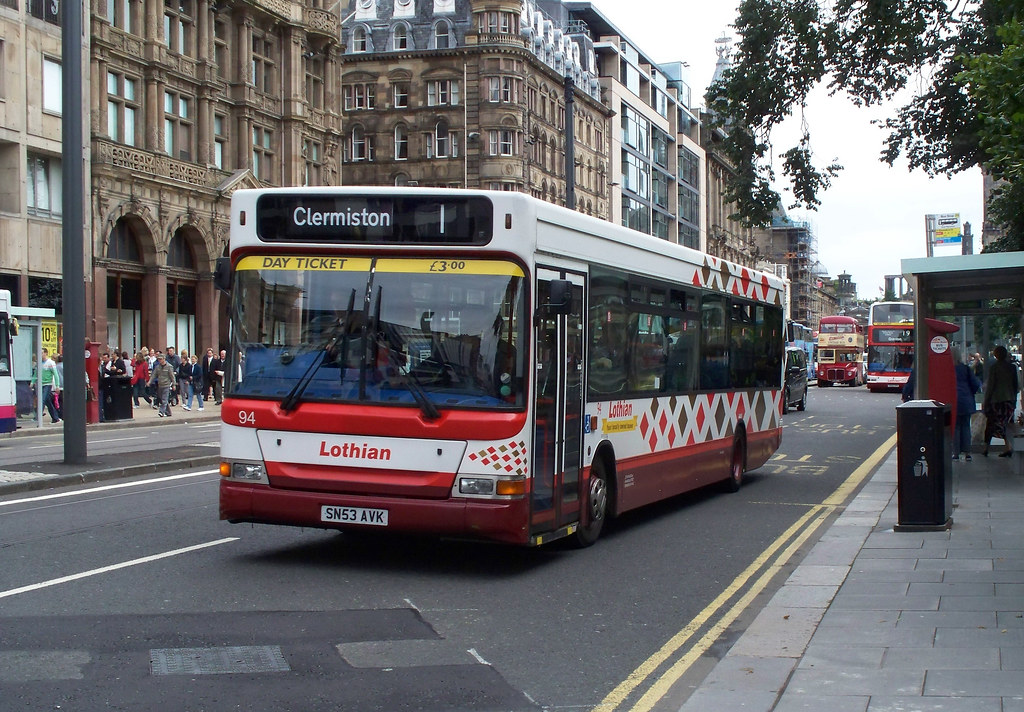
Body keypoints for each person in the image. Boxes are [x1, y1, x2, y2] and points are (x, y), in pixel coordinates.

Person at [982, 345, 1019, 458]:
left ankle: (986, 448)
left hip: (996, 401)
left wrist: (986, 401)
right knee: (1006, 424)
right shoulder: (1012, 367)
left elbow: (991, 386)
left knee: (992, 424)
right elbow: (1015, 384)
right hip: (1009, 400)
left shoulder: (994, 368)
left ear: (996, 355)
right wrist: (1014, 399)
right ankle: (1008, 447)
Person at [952, 348, 982, 461]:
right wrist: (970, 394)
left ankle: (955, 453)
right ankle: (967, 453)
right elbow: (974, 384)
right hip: (966, 400)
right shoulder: (965, 368)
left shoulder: (948, 369)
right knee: (965, 426)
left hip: (953, 400)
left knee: (955, 427)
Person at [148, 353, 177, 418]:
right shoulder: (158, 367)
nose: (160, 360)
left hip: (166, 385)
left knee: (164, 399)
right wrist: (149, 382)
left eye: (161, 359)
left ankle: (161, 412)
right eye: (159, 359)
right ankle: (168, 412)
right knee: (162, 399)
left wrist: (174, 384)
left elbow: (172, 376)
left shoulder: (169, 366)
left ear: (164, 359)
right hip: (160, 385)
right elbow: (154, 375)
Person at [40, 347, 61, 424]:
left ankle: (38, 416)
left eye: (42, 353)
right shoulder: (39, 362)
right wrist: (32, 382)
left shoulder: (50, 363)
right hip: (40, 384)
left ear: (46, 353)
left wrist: (57, 385)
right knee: (48, 402)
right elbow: (36, 373)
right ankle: (55, 418)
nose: (40, 354)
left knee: (42, 399)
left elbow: (55, 375)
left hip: (48, 384)